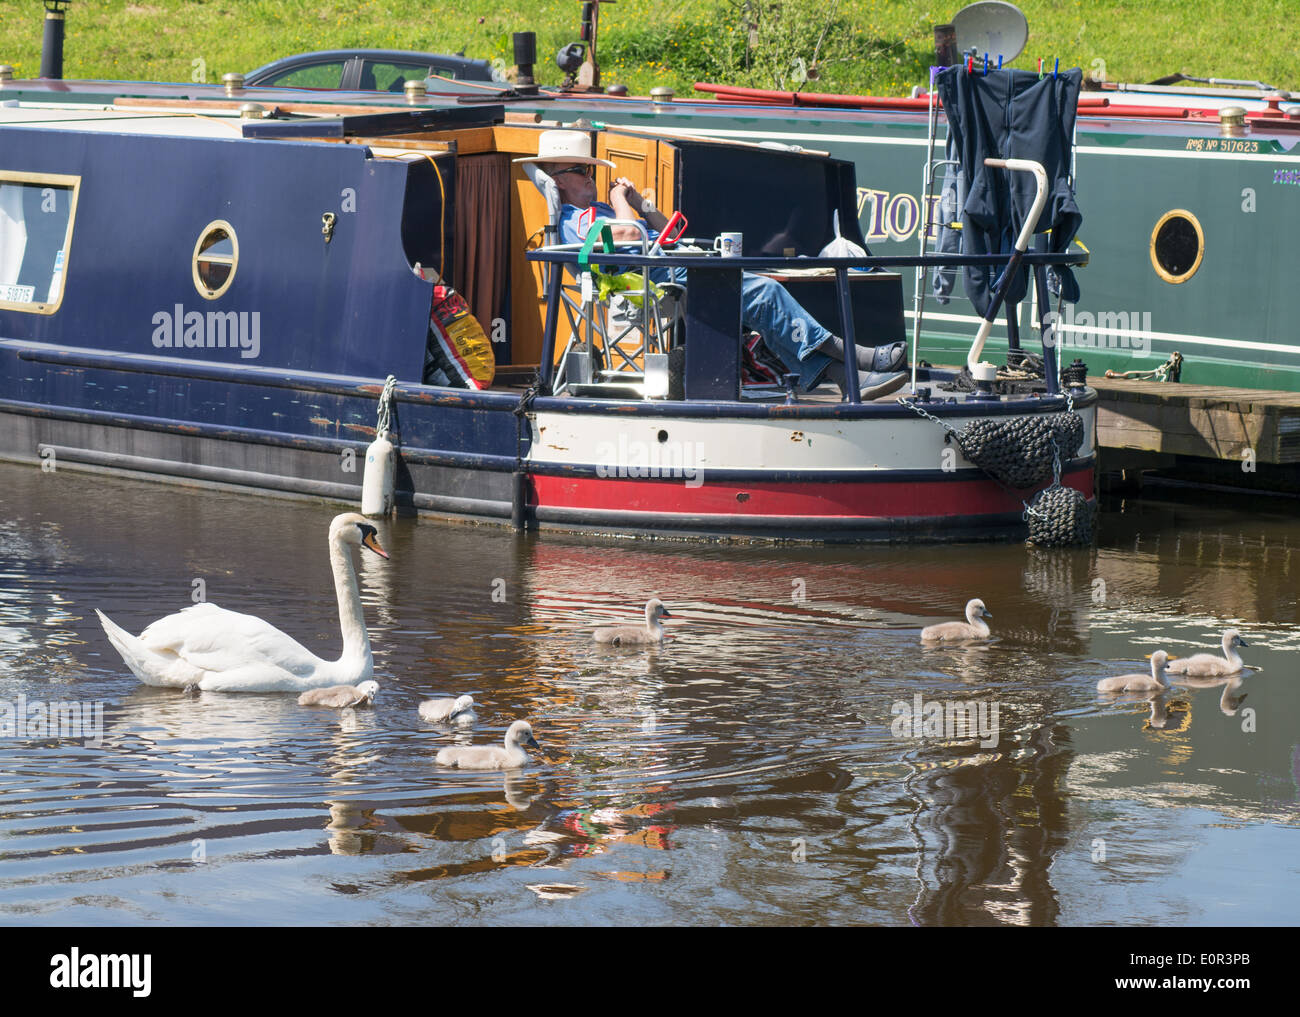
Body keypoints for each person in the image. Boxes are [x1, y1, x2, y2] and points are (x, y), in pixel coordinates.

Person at [515, 131, 907, 400]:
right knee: (766, 294)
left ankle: (846, 377)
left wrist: (641, 205)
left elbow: (664, 232)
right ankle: (859, 359)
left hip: (671, 264)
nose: (591, 178)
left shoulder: (601, 210)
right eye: (582, 172)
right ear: (559, 180)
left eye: (591, 170)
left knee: (762, 301)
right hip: (655, 278)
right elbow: (631, 239)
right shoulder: (573, 218)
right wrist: (621, 204)